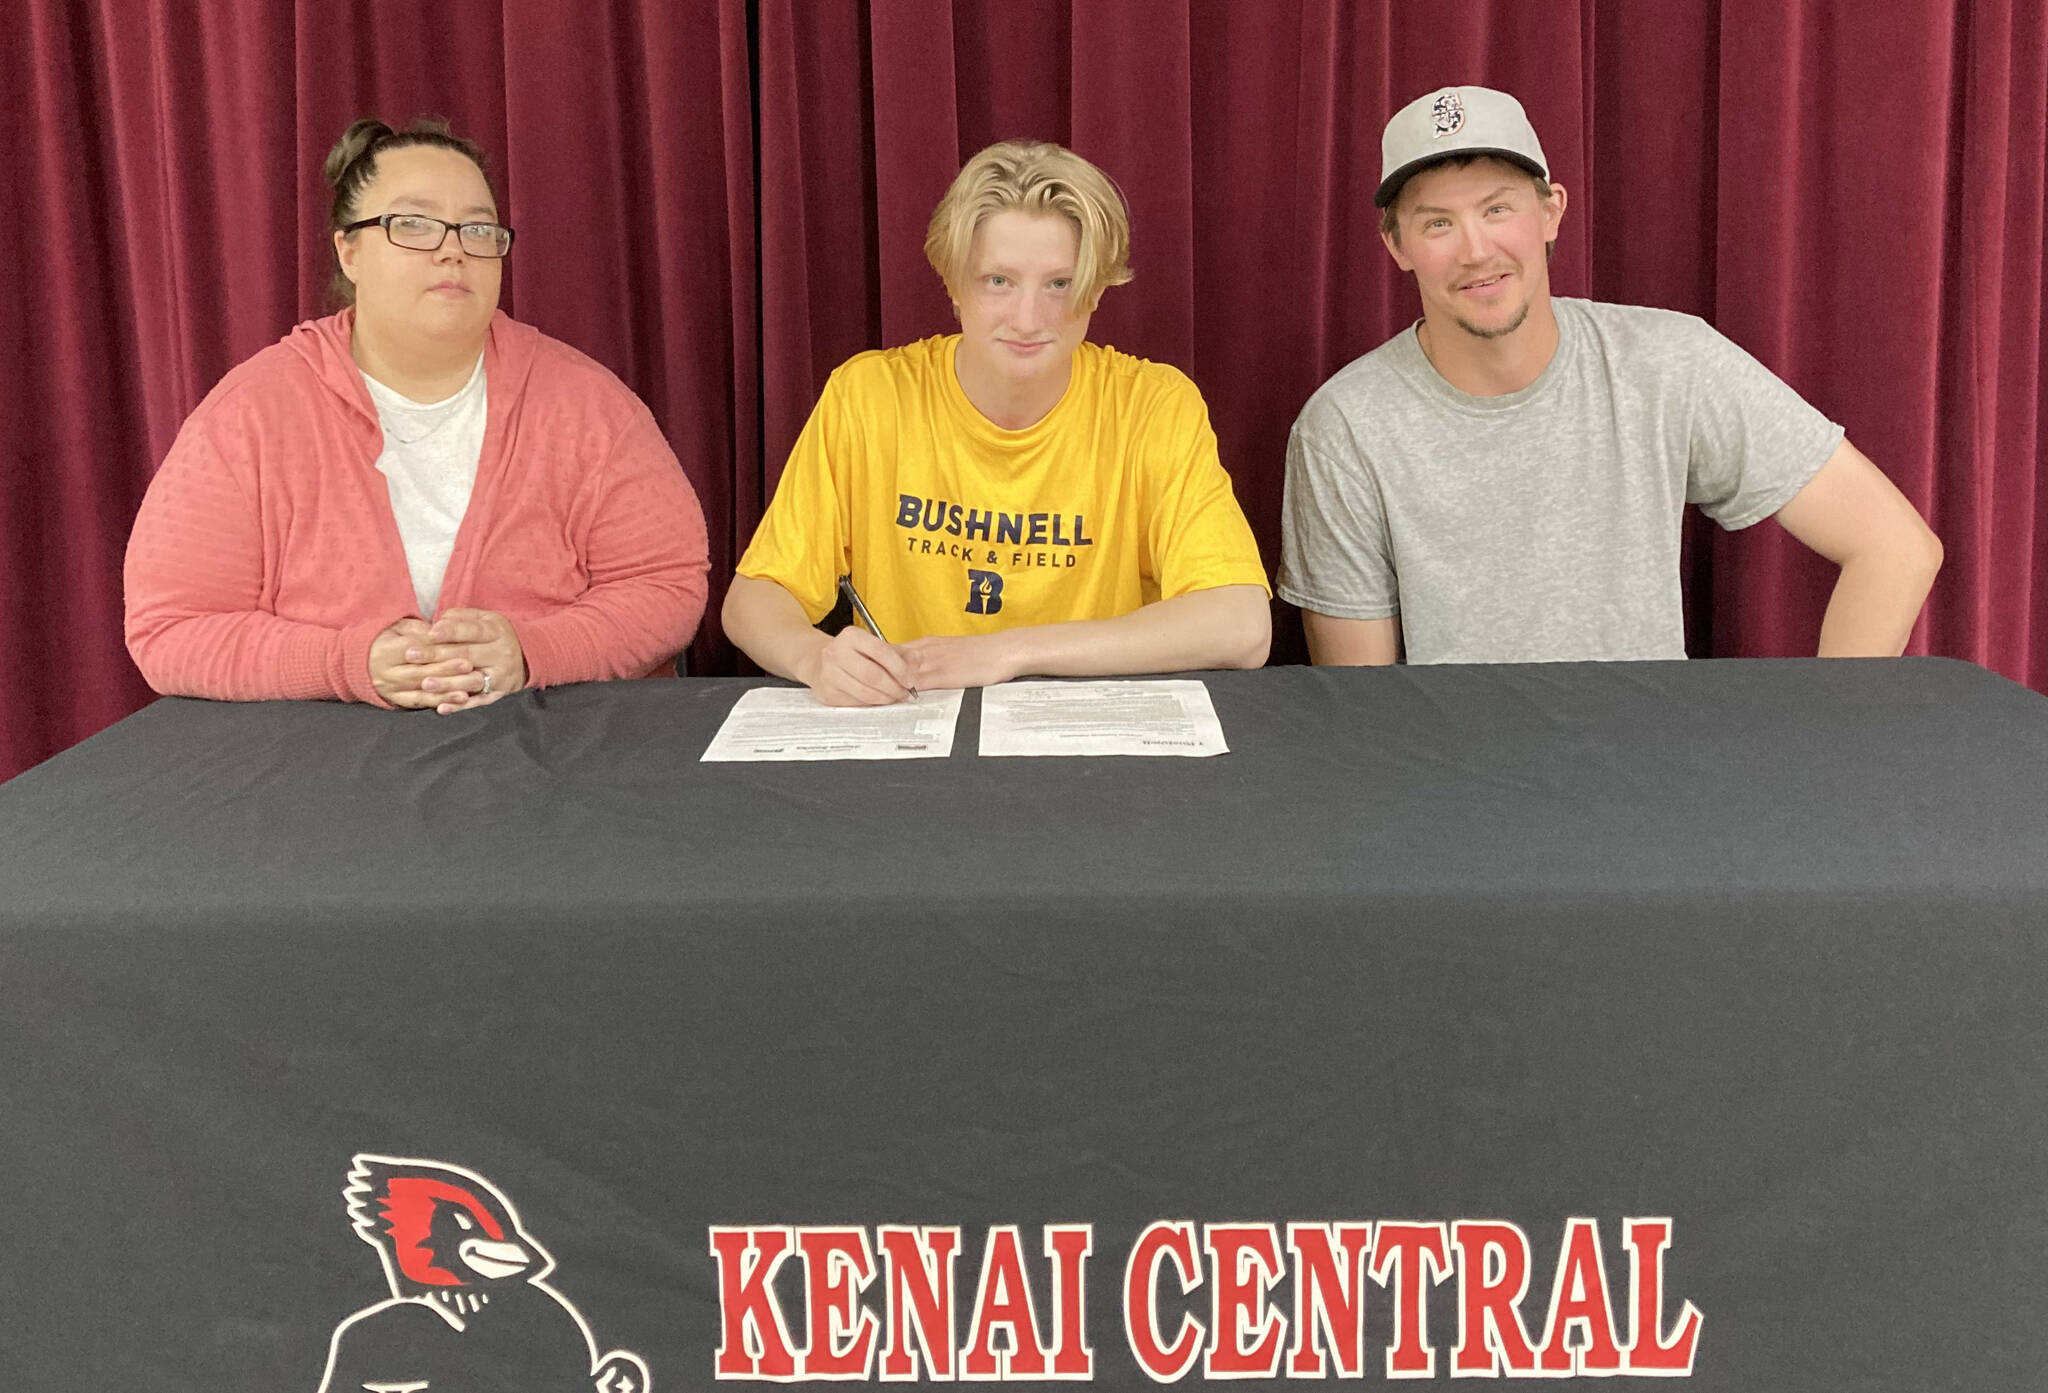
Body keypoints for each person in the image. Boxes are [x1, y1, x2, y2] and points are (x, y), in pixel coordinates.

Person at [1278, 85, 1942, 665]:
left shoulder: (1667, 363)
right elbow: (1359, 710)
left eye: (1498, 208)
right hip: (1457, 792)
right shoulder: (1345, 428)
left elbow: (1896, 548)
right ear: (1396, 245)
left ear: (1551, 212)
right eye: (1438, 223)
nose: (1476, 249)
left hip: (1653, 783)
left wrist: (1823, 743)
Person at [125, 117, 708, 712]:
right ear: (348, 251)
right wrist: (346, 664)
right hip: (317, 764)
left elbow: (666, 585)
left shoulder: (588, 403)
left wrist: (532, 651)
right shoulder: (249, 414)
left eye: (478, 228)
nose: (453, 248)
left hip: (559, 751)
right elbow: (171, 628)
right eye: (413, 224)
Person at [723, 140, 1270, 705]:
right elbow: (755, 598)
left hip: (1088, 737)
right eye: (998, 282)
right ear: (953, 284)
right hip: (907, 724)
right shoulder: (869, 395)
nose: (1028, 320)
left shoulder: (1154, 405)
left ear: (1098, 289)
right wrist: (813, 657)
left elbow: (1242, 625)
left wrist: (1009, 653)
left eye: (1060, 284)